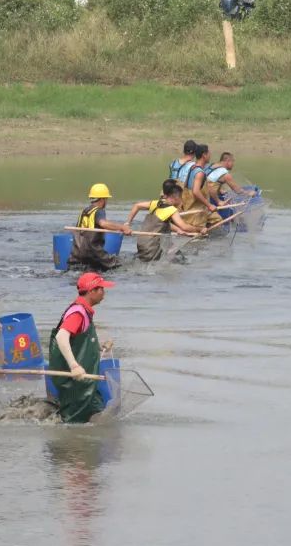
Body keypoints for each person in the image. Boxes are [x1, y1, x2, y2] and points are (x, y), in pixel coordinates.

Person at [46, 272, 114, 423]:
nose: (104, 293)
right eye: (101, 289)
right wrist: (74, 365)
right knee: (73, 422)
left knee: (98, 411)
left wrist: (98, 346)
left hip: (85, 381)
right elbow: (61, 337)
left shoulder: (85, 311)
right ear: (91, 291)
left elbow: (78, 341)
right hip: (74, 380)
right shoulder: (78, 313)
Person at [125, 179, 203, 262]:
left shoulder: (155, 204)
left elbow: (137, 206)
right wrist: (200, 229)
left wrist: (127, 223)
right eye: (181, 197)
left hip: (142, 243)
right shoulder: (172, 210)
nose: (181, 200)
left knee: (176, 253)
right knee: (181, 260)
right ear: (175, 197)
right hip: (153, 246)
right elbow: (184, 227)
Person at [69, 183, 132, 271]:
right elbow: (103, 224)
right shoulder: (99, 211)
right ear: (103, 199)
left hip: (77, 255)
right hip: (93, 254)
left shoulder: (84, 211)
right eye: (106, 199)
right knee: (121, 267)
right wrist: (123, 227)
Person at [180, 143, 222, 228]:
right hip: (195, 210)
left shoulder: (192, 168)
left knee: (217, 220)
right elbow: (195, 191)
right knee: (201, 233)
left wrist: (218, 201)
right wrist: (209, 205)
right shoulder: (199, 173)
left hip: (196, 207)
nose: (210, 155)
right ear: (204, 155)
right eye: (209, 153)